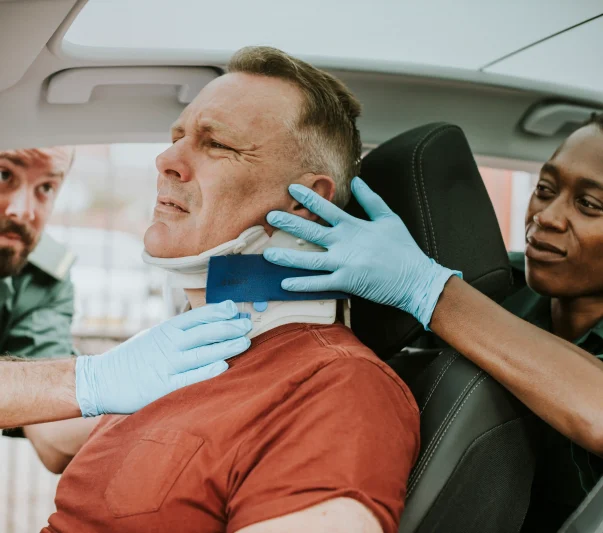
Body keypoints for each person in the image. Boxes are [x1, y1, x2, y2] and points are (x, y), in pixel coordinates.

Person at [31, 47, 420, 533]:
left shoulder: (337, 387)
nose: (166, 159)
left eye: (216, 144)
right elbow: (56, 439)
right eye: (177, 136)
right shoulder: (179, 353)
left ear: (304, 204)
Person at [264, 112, 603, 529]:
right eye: (545, 188)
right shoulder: (495, 284)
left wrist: (429, 289)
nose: (546, 216)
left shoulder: (455, 294)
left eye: (589, 205)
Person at [0, 147, 253, 429]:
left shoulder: (37, 281)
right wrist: (90, 379)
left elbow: (50, 433)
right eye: (3, 174)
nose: (21, 211)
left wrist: (185, 412)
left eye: (46, 187)